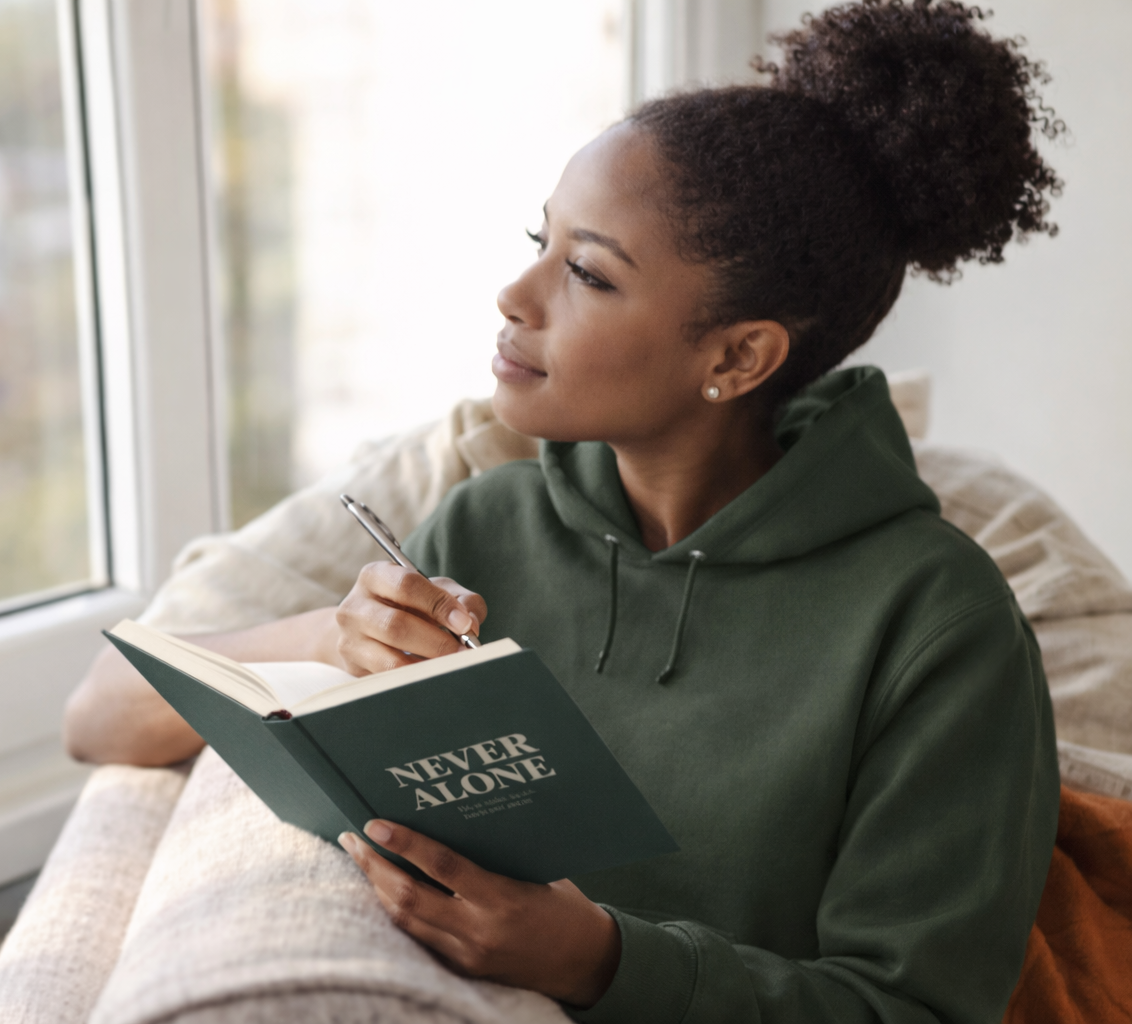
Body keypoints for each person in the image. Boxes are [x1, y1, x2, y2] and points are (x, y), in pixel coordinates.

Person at [64, 2, 1063, 1019]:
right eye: (539, 241)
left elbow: (918, 1008)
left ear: (736, 357)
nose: (514, 293)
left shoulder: (940, 627)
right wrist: (339, 634)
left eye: (587, 272)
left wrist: (601, 960)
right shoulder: (481, 530)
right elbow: (100, 720)